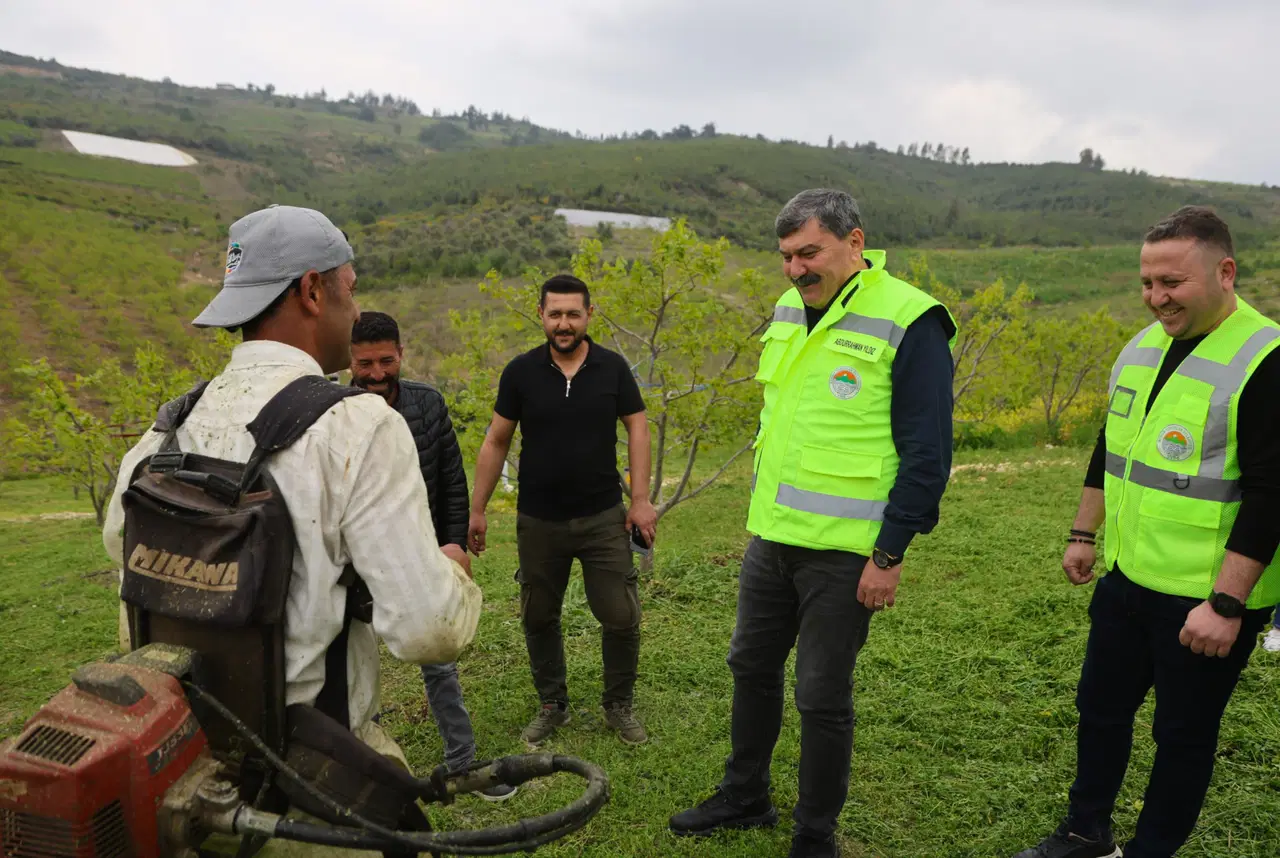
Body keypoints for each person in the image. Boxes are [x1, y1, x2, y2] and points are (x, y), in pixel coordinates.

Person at [104, 204, 482, 786]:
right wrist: (453, 572)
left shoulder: (172, 423)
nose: (355, 311)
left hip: (184, 759)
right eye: (350, 290)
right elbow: (427, 629)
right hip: (309, 769)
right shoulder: (359, 425)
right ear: (311, 291)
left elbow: (119, 544)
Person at [670, 189, 957, 858]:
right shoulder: (788, 308)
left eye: (809, 253)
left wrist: (889, 554)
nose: (796, 269)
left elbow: (928, 454)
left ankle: (814, 832)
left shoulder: (911, 319)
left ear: (854, 243)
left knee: (821, 694)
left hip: (847, 552)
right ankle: (745, 796)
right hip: (772, 537)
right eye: (786, 256)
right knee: (750, 666)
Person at [1013, 206, 1280, 858]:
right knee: (1099, 709)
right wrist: (1084, 534)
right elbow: (1112, 446)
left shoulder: (1265, 358)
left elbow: (1272, 494)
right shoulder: (1141, 347)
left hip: (1205, 600)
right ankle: (1086, 832)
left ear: (1224, 272)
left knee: (1182, 735)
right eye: (1147, 282)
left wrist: (1226, 604)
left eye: (1173, 282)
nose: (1157, 297)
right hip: (1128, 578)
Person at [468, 274, 657, 747]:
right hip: (539, 519)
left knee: (620, 613)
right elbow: (496, 440)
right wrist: (477, 509)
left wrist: (639, 500)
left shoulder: (613, 368)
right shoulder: (520, 372)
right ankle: (552, 704)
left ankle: (618, 705)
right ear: (541, 315)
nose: (564, 323)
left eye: (573, 314)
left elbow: (637, 428)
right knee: (538, 615)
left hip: (603, 516)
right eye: (555, 314)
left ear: (589, 314)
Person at [349, 310, 514, 801]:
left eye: (386, 361)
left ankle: (463, 764)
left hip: (421, 550)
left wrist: (455, 544)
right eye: (365, 363)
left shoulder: (428, 404)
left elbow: (451, 481)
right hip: (354, 560)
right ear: (349, 361)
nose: (376, 373)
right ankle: (364, 772)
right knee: (355, 666)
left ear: (401, 354)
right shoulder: (332, 410)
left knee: (438, 657)